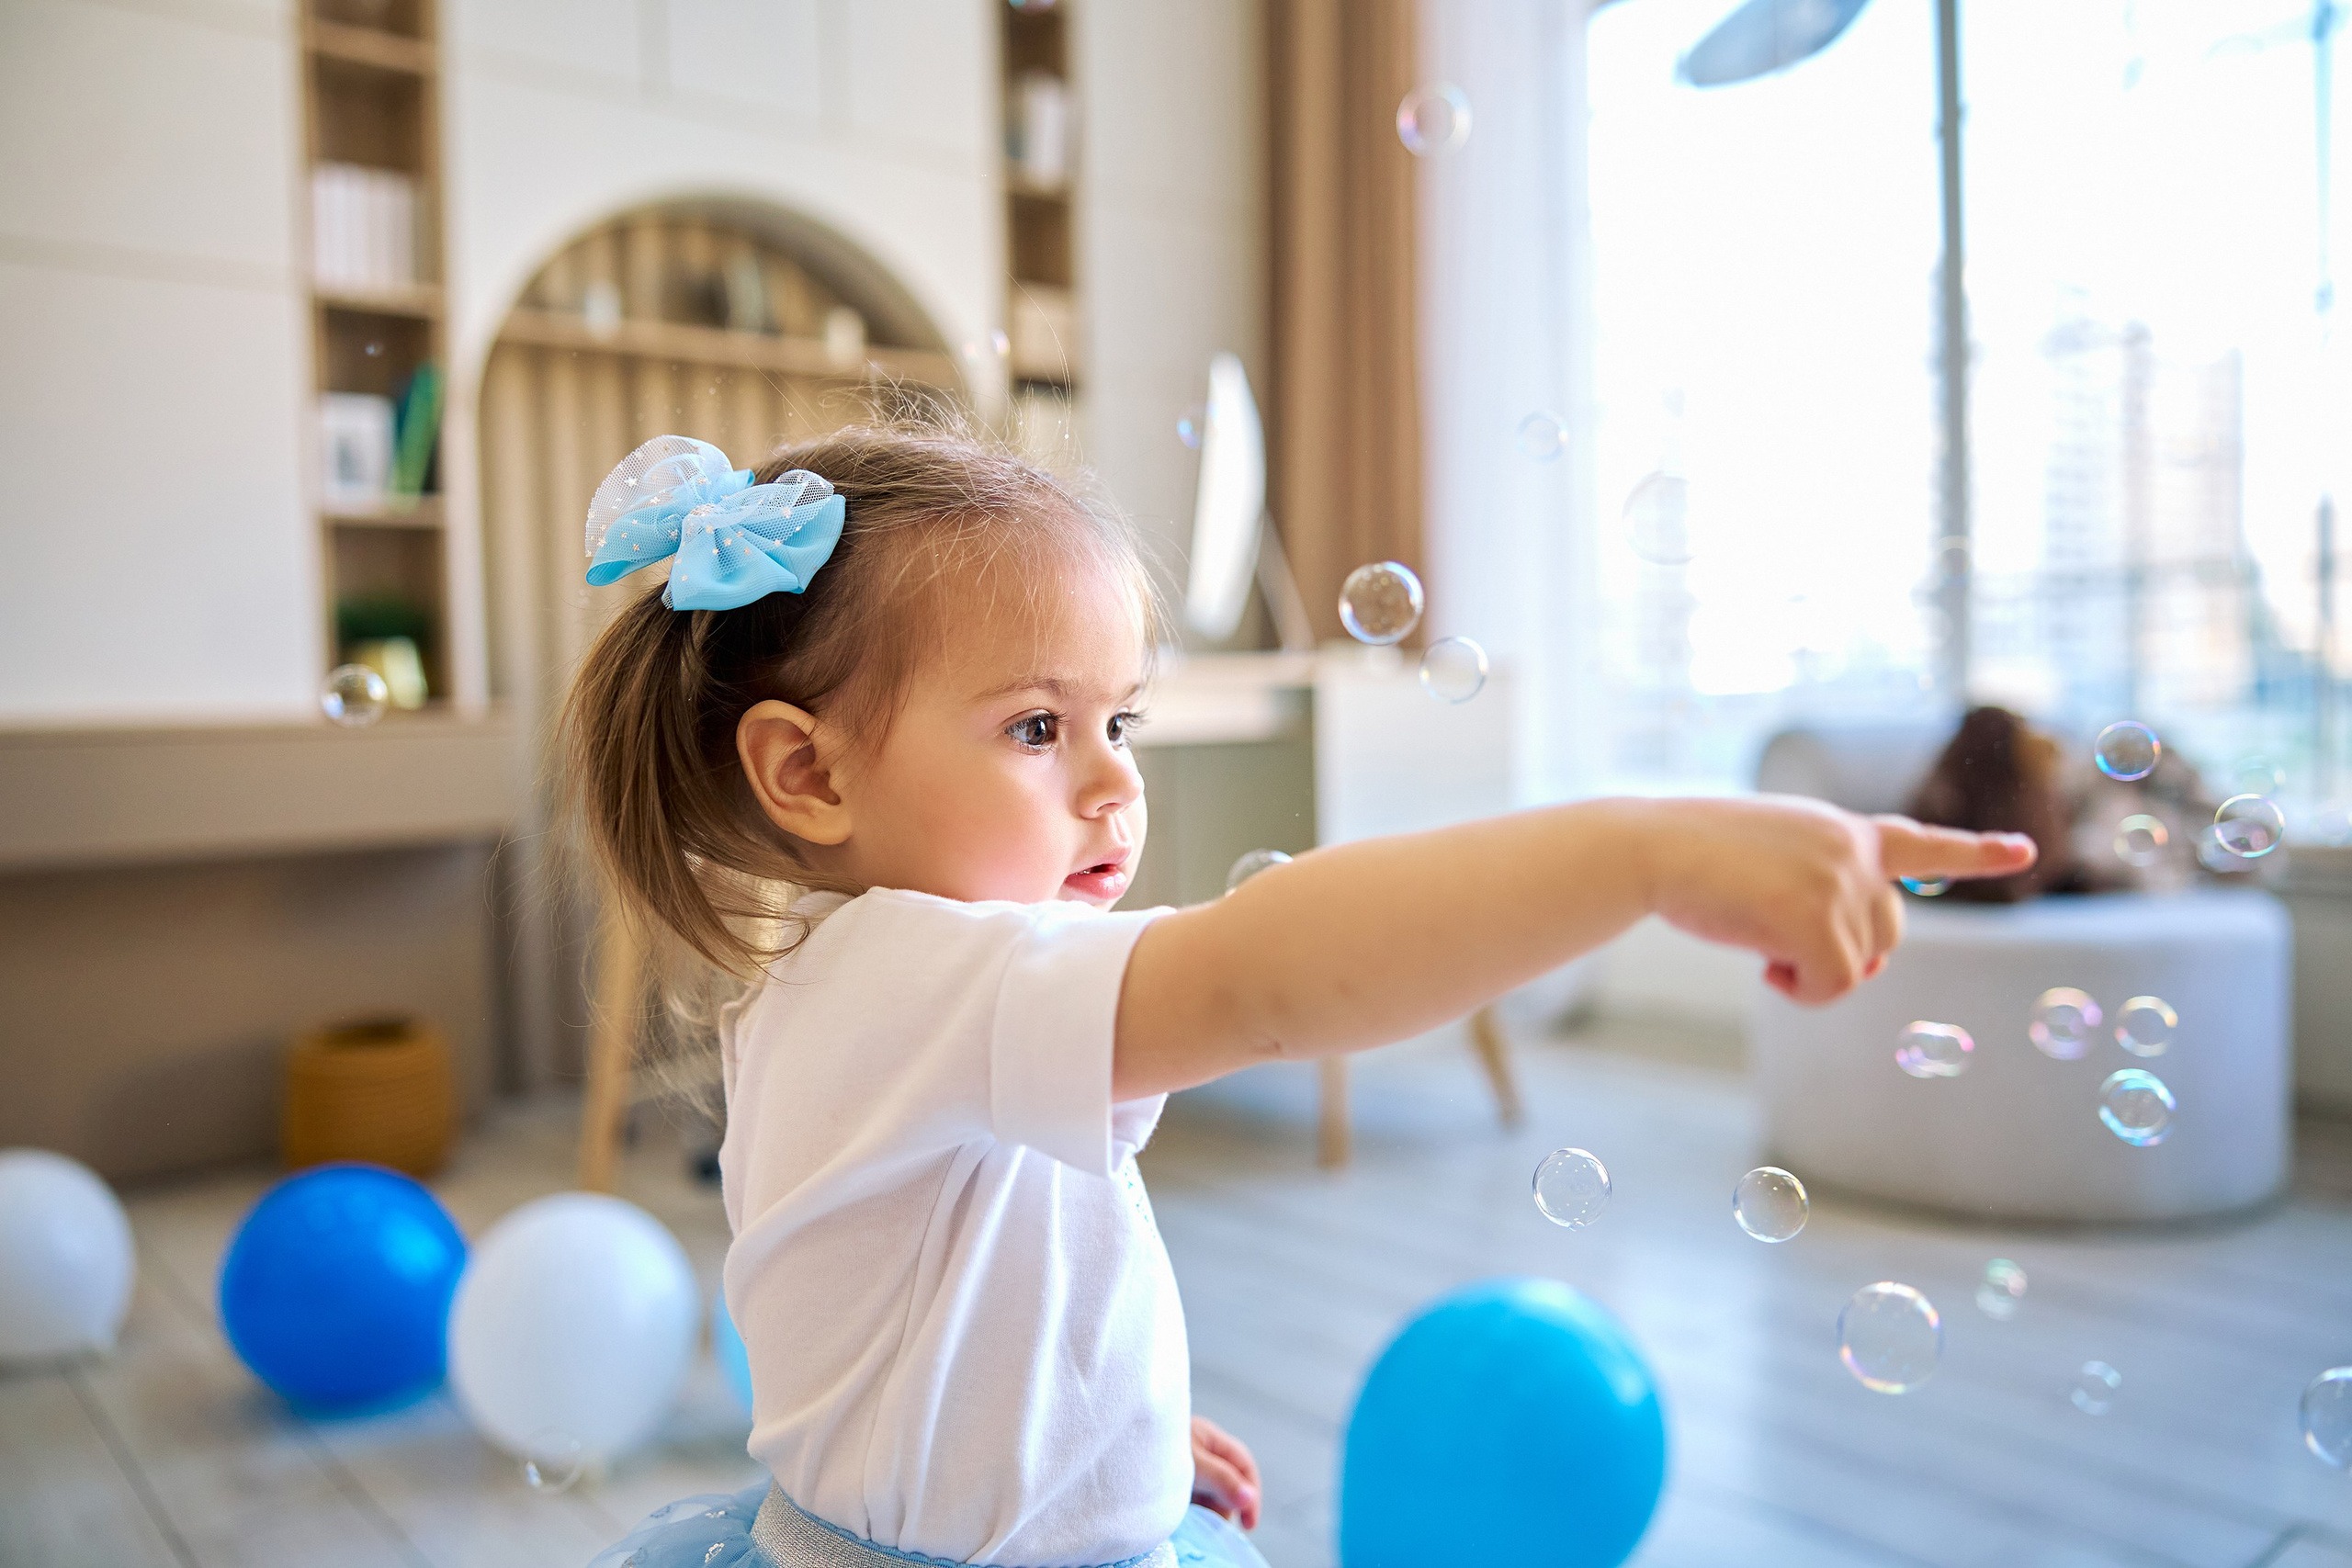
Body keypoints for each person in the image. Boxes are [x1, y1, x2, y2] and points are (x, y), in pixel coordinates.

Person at [562, 426, 2034, 1568]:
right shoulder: (914, 976)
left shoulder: (864, 979)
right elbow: (1271, 973)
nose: (1115, 780)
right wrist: (1644, 853)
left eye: (1122, 719)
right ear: (807, 772)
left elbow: (939, 1321)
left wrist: (1095, 1442)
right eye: (1037, 726)